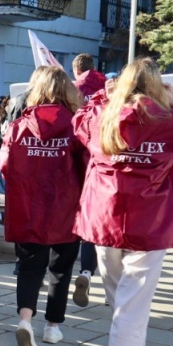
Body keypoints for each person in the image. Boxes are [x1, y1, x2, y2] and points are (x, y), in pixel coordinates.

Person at [74, 58, 173, 346]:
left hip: (106, 215)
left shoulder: (103, 116)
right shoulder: (172, 120)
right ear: (156, 85)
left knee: (120, 296)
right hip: (151, 220)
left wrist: (102, 98)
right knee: (131, 300)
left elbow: (78, 122)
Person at [0, 66, 86, 346]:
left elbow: (5, 165)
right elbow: (88, 168)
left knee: (29, 267)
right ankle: (52, 327)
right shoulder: (78, 125)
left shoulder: (20, 125)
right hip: (65, 208)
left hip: (27, 206)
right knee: (60, 269)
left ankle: (25, 320)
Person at [70, 53, 106, 298]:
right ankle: (87, 272)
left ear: (76, 70)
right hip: (102, 163)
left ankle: (58, 267)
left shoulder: (72, 90)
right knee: (96, 220)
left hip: (74, 161)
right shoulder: (108, 88)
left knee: (72, 217)